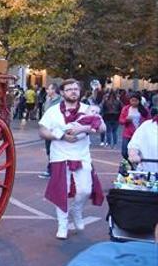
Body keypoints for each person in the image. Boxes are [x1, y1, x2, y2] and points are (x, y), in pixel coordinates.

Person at [38, 79, 105, 240]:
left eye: (76, 89)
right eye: (69, 89)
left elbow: (103, 127)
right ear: (62, 92)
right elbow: (42, 131)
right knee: (62, 191)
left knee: (85, 190)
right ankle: (62, 225)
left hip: (82, 156)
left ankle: (76, 210)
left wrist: (84, 128)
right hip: (60, 156)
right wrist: (60, 136)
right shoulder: (53, 111)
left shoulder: (88, 109)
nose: (73, 92)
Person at [38, 83, 62, 178]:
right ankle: (52, 169)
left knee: (55, 149)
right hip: (48, 128)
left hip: (56, 128)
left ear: (54, 90)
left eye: (49, 89)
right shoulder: (47, 100)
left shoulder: (60, 100)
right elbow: (45, 112)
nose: (47, 90)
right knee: (49, 150)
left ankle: (52, 170)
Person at [119, 96, 148, 161]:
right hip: (128, 133)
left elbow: (148, 120)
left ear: (139, 101)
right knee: (124, 152)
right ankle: (129, 164)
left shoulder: (144, 110)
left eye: (135, 100)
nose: (133, 102)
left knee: (139, 151)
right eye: (132, 100)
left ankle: (137, 163)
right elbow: (121, 120)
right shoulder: (126, 109)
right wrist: (126, 120)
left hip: (140, 133)